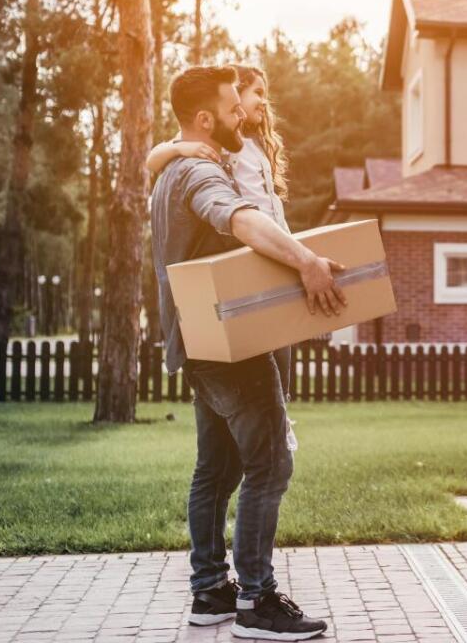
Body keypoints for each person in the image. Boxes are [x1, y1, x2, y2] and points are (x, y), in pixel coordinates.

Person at [151, 65, 340, 640]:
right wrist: (307, 262)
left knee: (218, 467)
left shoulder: (170, 171)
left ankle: (210, 591)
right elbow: (240, 218)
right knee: (269, 464)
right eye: (234, 109)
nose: (244, 116)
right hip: (230, 349)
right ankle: (258, 601)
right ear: (205, 118)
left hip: (198, 343)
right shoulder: (198, 173)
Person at [147, 64, 294, 399]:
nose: (261, 103)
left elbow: (273, 210)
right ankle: (277, 427)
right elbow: (153, 158)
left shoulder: (255, 146)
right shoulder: (221, 143)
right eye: (256, 93)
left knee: (281, 360)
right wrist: (179, 148)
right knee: (264, 368)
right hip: (253, 252)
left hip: (276, 251)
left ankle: (282, 417)